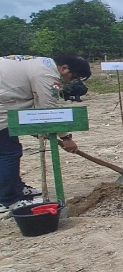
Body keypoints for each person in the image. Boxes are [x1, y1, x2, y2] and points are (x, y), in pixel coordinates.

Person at [0, 54, 91, 212]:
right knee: (9, 153)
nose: (70, 81)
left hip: (6, 103)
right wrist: (66, 138)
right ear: (63, 68)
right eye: (73, 76)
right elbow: (48, 108)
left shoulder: (42, 63)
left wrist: (37, 128)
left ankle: (17, 188)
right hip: (3, 106)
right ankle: (9, 200)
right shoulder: (47, 73)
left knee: (10, 149)